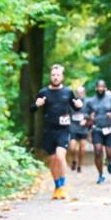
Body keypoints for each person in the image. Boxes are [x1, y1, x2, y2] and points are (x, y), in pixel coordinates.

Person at [31, 64, 82, 200]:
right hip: (49, 130)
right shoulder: (43, 92)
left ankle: (63, 186)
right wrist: (37, 104)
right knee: (53, 159)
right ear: (50, 76)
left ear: (62, 77)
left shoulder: (68, 92)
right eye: (53, 75)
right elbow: (32, 109)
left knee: (60, 157)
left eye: (58, 75)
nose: (55, 77)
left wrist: (78, 105)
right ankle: (57, 186)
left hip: (63, 130)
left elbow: (75, 107)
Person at [84, 79, 111, 184]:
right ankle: (100, 175)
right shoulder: (90, 101)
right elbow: (84, 113)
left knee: (110, 153)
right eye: (99, 87)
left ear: (105, 88)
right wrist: (89, 116)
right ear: (96, 88)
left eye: (102, 87)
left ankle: (109, 161)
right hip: (97, 129)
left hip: (109, 130)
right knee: (97, 152)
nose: (100, 89)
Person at [67, 85, 90, 173]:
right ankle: (74, 160)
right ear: (76, 93)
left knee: (82, 149)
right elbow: (67, 112)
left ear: (84, 93)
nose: (80, 94)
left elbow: (91, 114)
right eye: (78, 93)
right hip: (73, 127)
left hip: (83, 129)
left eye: (81, 92)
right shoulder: (72, 102)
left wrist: (86, 119)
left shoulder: (88, 102)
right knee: (72, 147)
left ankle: (80, 165)